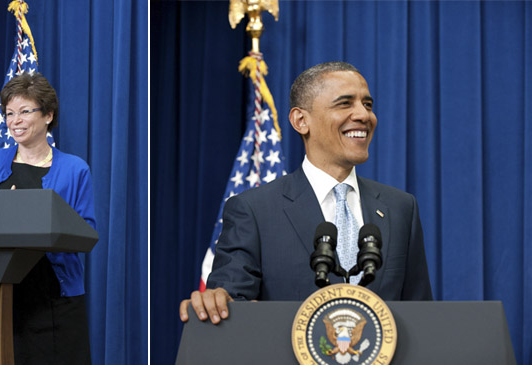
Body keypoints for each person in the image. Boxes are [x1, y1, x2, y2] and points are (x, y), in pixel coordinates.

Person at [180, 61, 432, 325]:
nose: (364, 115)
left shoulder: (401, 207)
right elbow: (229, 304)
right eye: (345, 103)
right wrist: (216, 302)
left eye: (367, 104)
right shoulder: (253, 210)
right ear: (301, 121)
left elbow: (422, 318)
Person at [0, 72, 96, 363]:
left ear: (48, 115)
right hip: (0, 292)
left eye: (25, 112)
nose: (14, 121)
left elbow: (87, 232)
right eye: (9, 113)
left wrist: (29, 217)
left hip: (53, 295)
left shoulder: (74, 169)